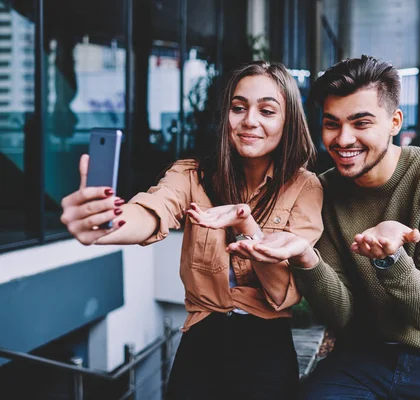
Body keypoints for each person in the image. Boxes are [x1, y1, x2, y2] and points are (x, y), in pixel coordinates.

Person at [227, 55, 420, 399]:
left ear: (394, 121)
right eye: (331, 123)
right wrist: (307, 259)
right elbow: (344, 317)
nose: (343, 139)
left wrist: (390, 258)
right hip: (362, 355)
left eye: (360, 123)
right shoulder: (321, 190)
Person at [59, 61, 324, 400]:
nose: (249, 121)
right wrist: (105, 223)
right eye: (238, 108)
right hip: (202, 337)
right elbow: (153, 211)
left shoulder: (306, 187)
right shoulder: (190, 175)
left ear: (288, 123)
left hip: (267, 344)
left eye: (267, 111)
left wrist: (247, 225)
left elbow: (283, 293)